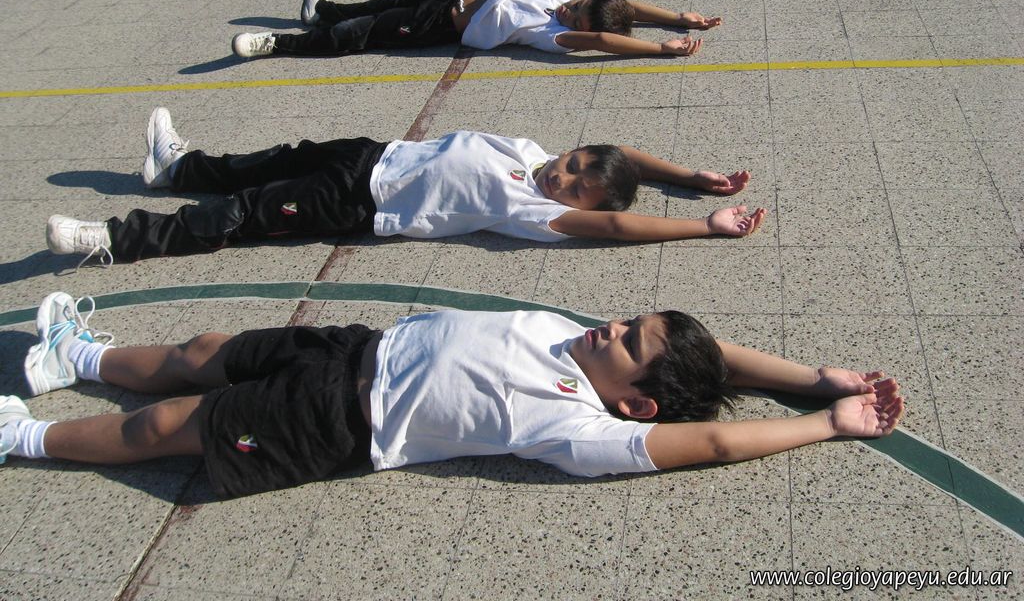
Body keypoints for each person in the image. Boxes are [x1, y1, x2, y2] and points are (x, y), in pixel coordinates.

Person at [0, 292, 904, 499]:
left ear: (636, 405)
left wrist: (827, 423)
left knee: (168, 427)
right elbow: (714, 357)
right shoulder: (583, 344)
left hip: (333, 419)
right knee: (202, 352)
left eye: (629, 342)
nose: (613, 327)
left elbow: (708, 439)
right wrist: (812, 376)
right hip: (353, 347)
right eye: (630, 319)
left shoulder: (579, 425)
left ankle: (24, 438)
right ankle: (77, 354)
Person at [43, 108, 767, 265]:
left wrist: (701, 225)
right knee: (268, 161)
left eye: (575, 187)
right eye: (575, 163)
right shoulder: (533, 156)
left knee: (243, 214)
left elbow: (615, 224)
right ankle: (177, 169)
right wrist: (686, 175)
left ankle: (113, 240)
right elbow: (619, 154)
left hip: (361, 203)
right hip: (371, 155)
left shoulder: (534, 213)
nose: (564, 175)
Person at [229, 0, 720, 60]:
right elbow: (625, 6)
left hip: (438, 27)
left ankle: (276, 44)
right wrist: (677, 17)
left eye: (576, 16)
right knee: (376, 6)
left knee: (357, 35)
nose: (568, 9)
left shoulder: (556, 35)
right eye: (578, 3)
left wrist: (659, 47)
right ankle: (320, 10)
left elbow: (605, 40)